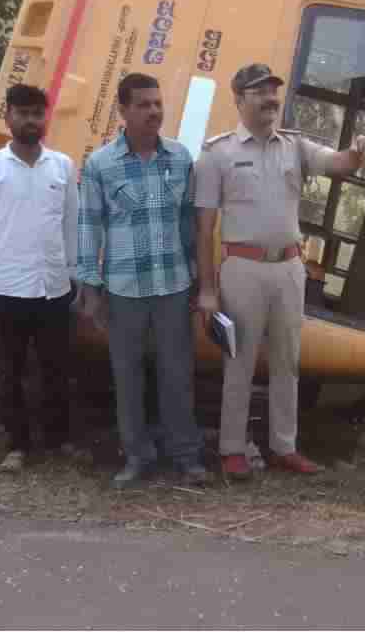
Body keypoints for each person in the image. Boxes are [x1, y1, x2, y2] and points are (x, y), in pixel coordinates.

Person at [194, 63, 365, 480]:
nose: (271, 99)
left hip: (289, 267)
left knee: (287, 361)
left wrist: (359, 151)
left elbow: (339, 163)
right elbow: (203, 229)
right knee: (239, 362)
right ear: (239, 99)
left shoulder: (294, 146)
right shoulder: (217, 153)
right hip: (242, 268)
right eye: (260, 92)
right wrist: (207, 290)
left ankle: (284, 447)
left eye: (274, 91)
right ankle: (232, 450)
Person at [77, 73, 209, 489]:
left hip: (172, 287)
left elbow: (190, 224)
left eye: (157, 103)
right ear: (123, 110)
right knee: (128, 375)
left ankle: (186, 457)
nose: (154, 111)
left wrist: (198, 280)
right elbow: (89, 227)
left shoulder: (180, 159)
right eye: (144, 104)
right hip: (124, 291)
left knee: (177, 373)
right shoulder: (101, 165)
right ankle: (137, 457)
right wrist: (90, 288)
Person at [0, 84, 78, 472]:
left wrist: (73, 278)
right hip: (8, 289)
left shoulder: (62, 165)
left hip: (55, 289)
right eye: (23, 113)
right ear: (8, 116)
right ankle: (17, 446)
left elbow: (70, 226)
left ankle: (59, 440)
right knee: (11, 372)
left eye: (37, 114)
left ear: (45, 118)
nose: (31, 121)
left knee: (57, 369)